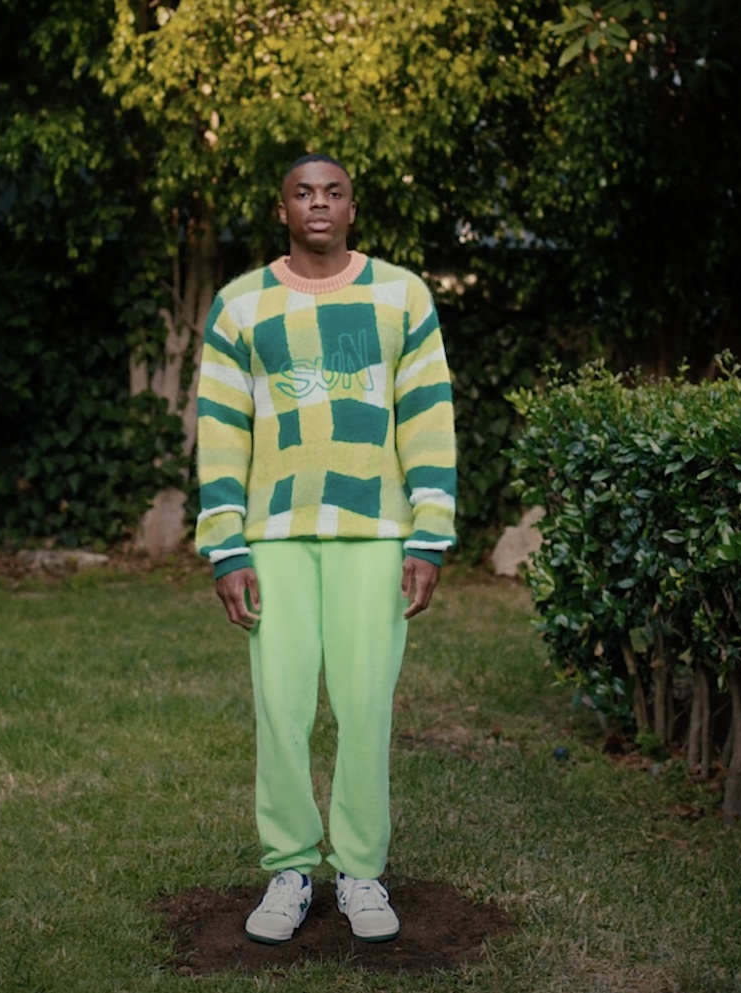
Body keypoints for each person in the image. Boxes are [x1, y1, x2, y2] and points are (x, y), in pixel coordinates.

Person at [194, 153, 457, 945]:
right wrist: (225, 547)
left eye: (333, 192)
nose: (318, 203)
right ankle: (288, 869)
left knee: (366, 702)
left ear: (351, 208)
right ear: (283, 210)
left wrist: (430, 533)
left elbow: (428, 413)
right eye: (303, 193)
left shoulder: (401, 295)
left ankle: (361, 870)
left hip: (375, 531)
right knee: (281, 707)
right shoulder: (242, 303)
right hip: (273, 534)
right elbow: (220, 427)